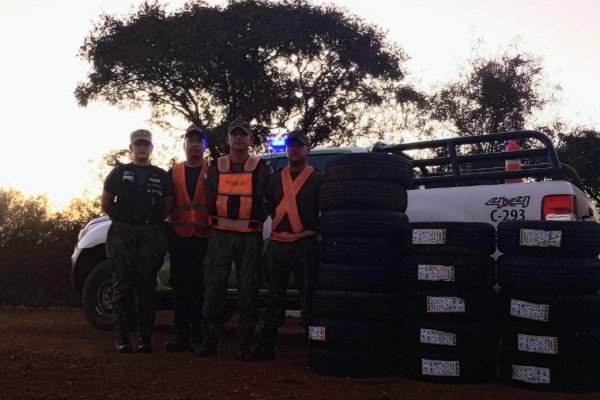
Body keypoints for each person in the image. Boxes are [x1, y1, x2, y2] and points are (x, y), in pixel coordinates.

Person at [195, 119, 271, 360]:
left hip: (249, 238)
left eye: (243, 135)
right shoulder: (216, 167)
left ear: (250, 140)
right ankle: (210, 341)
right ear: (228, 139)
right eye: (234, 135)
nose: (239, 139)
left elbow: (268, 201)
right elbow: (208, 198)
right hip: (220, 236)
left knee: (248, 291)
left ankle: (243, 343)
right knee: (214, 289)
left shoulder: (261, 167)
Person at [246, 130, 323, 361]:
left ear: (307, 149)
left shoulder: (319, 179)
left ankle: (315, 349)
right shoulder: (274, 179)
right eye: (290, 145)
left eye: (299, 145)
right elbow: (267, 208)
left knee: (309, 299)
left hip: (305, 244)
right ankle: (266, 347)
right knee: (273, 299)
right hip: (278, 245)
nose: (294, 149)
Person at [101, 129, 173, 353]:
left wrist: (151, 223)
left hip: (151, 232)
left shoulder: (161, 175)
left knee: (146, 287)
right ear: (131, 148)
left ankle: (145, 338)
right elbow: (106, 203)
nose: (142, 148)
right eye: (138, 145)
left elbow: (167, 205)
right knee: (122, 284)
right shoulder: (119, 173)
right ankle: (122, 337)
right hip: (124, 232)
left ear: (151, 149)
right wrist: (123, 221)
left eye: (146, 145)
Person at [164, 126, 210, 352]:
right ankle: (181, 335)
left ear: (205, 146)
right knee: (180, 288)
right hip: (180, 239)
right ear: (183, 145)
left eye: (198, 140)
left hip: (204, 239)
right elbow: (164, 204)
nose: (194, 144)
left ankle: (198, 336)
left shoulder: (214, 171)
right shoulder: (173, 172)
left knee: (201, 288)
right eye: (189, 140)